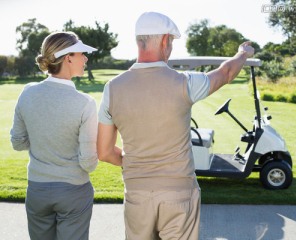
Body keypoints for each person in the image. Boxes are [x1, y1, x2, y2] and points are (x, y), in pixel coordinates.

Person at [97, 11, 254, 240]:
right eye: (170, 42)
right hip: (179, 194)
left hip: (137, 194)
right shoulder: (185, 83)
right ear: (163, 41)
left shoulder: (112, 89)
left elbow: (104, 152)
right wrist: (243, 53)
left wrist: (135, 163)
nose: (170, 48)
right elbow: (226, 72)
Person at [10, 31, 99, 240]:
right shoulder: (85, 103)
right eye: (81, 54)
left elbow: (17, 143)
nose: (85, 58)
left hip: (37, 191)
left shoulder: (27, 93)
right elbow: (88, 164)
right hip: (74, 192)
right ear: (68, 57)